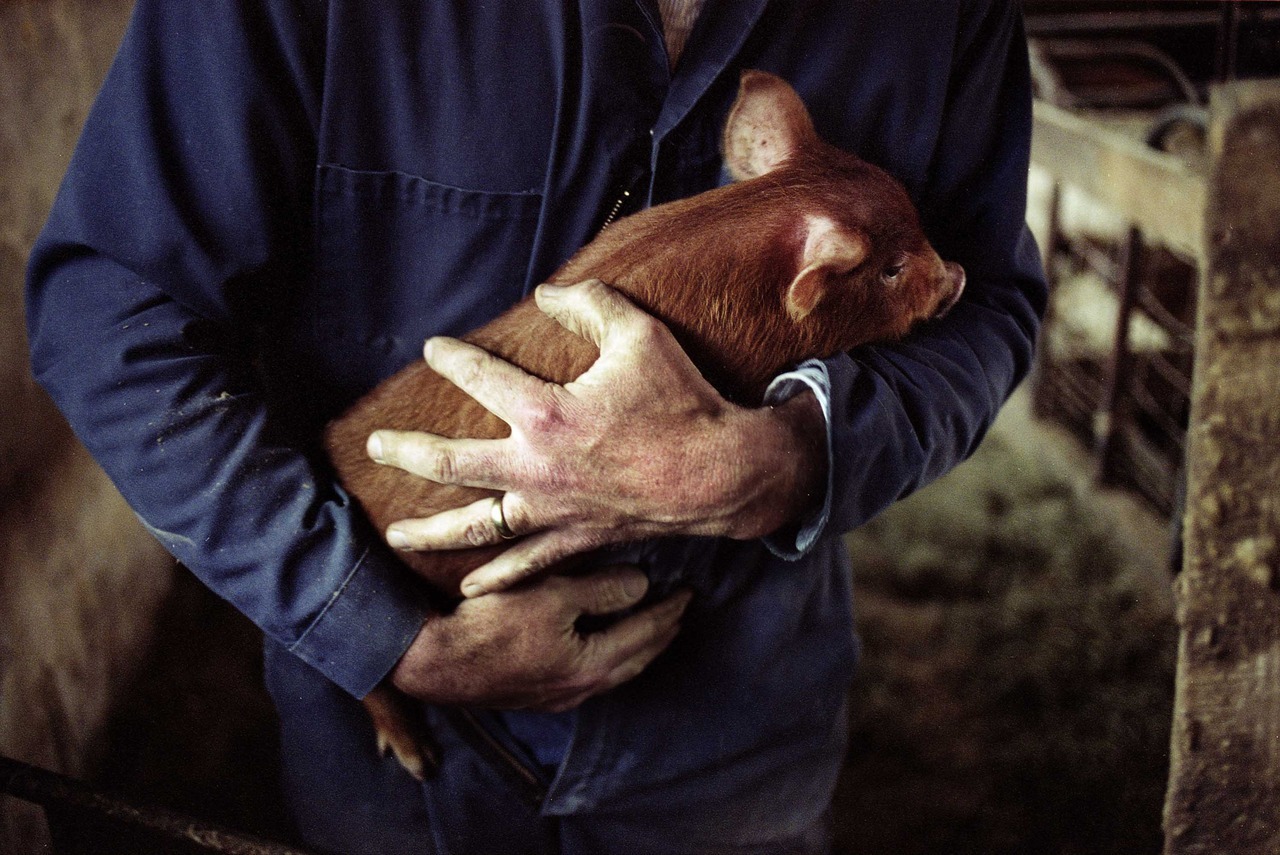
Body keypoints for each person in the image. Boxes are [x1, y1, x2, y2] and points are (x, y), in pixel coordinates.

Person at [25, 1, 1046, 853]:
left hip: (732, 739)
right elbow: (111, 313)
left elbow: (987, 300)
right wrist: (372, 629)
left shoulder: (942, 17)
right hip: (393, 756)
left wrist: (796, 453)